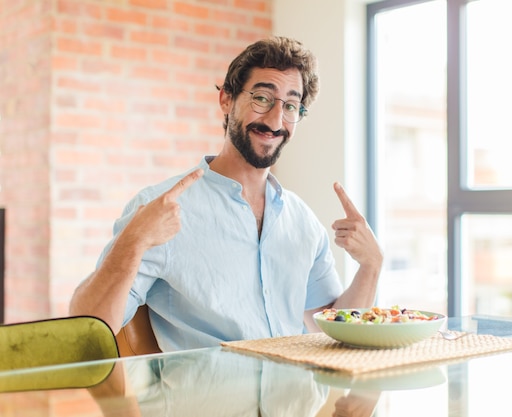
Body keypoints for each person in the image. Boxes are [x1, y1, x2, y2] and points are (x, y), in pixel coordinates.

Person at [69, 36, 383, 351]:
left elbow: (333, 331)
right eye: (262, 98)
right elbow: (86, 329)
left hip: (294, 397)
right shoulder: (160, 208)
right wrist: (132, 243)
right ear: (226, 100)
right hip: (208, 399)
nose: (276, 120)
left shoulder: (303, 221)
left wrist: (371, 265)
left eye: (290, 105)